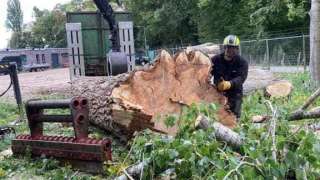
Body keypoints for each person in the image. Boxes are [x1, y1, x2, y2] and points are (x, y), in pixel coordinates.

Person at [210, 35, 248, 120]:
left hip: (235, 94)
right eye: (226, 47)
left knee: (234, 118)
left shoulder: (242, 62)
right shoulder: (215, 60)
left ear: (237, 49)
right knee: (217, 117)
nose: (228, 50)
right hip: (218, 93)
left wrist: (229, 84)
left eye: (231, 48)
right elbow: (207, 74)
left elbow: (241, 78)